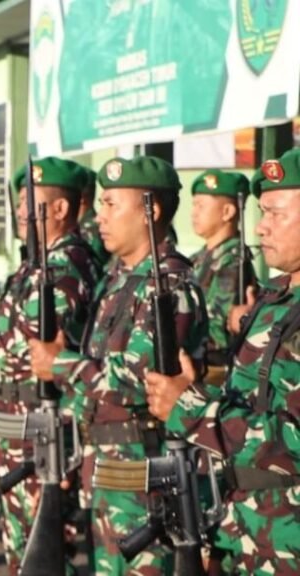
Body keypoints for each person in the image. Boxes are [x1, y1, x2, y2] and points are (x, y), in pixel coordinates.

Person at [28, 156, 208, 574]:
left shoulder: (170, 285)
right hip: (105, 463)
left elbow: (139, 379)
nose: (100, 216)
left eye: (111, 204)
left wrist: (61, 365)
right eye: (101, 204)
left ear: (150, 211)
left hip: (143, 468)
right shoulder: (119, 280)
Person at [145, 148, 300, 575]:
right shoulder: (275, 299)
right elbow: (253, 405)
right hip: (241, 528)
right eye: (262, 213)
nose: (262, 226)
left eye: (276, 213)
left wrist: (191, 408)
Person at [0, 158, 99, 574]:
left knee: (42, 552)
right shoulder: (37, 264)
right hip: (19, 425)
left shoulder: (64, 266)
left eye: (30, 202)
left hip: (39, 425)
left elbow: (20, 354)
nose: (20, 211)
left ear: (60, 209)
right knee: (23, 551)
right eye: (19, 203)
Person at [188, 169, 257, 382]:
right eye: (193, 205)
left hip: (213, 371)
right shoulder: (199, 258)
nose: (193, 213)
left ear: (227, 212)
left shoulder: (233, 261)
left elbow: (218, 330)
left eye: (201, 206)